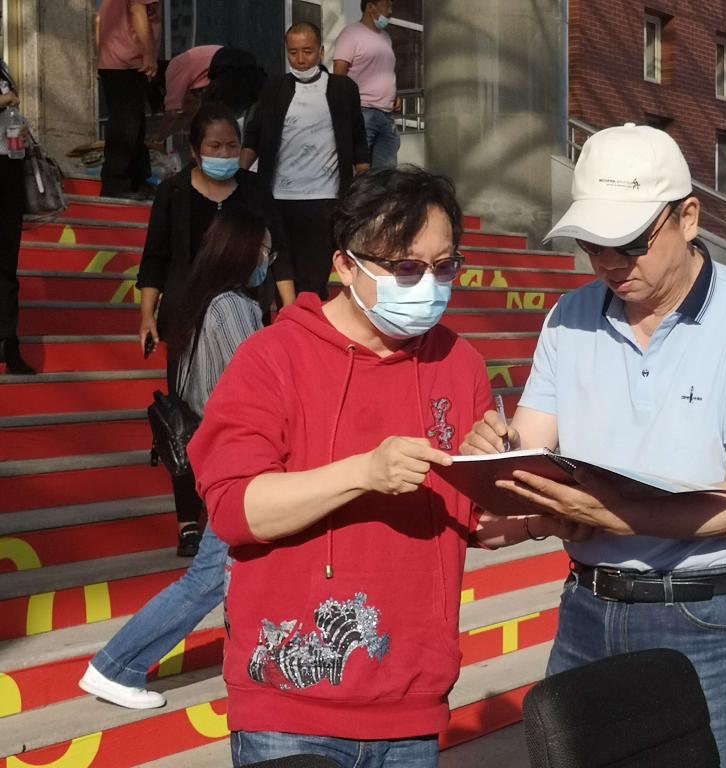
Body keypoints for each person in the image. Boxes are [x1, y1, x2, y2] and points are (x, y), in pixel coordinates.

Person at [460, 123, 726, 768]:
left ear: (688, 217)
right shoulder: (569, 317)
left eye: (628, 243)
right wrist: (499, 456)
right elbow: (530, 445)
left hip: (704, 618)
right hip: (587, 606)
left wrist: (612, 515)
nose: (609, 263)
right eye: (592, 244)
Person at [188, 168, 518, 768]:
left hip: (414, 700)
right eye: (406, 268)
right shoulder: (272, 357)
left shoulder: (460, 362)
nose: (428, 285)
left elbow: (475, 523)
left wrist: (518, 489)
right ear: (345, 264)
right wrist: (363, 473)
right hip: (290, 705)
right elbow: (235, 509)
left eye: (444, 266)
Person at [79, 205, 269, 709]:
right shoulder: (233, 307)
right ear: (244, 252)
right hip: (241, 456)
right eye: (265, 251)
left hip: (221, 450)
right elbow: (260, 383)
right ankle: (116, 664)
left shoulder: (201, 301)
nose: (268, 260)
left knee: (237, 570)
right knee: (208, 577)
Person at [137, 103, 296, 557]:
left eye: (232, 145)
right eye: (215, 146)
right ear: (194, 150)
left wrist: (289, 308)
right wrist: (147, 315)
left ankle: (227, 509)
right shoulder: (174, 193)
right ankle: (190, 520)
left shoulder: (253, 190)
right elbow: (155, 257)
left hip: (243, 306)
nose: (225, 154)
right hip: (186, 315)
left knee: (224, 408)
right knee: (185, 415)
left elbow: (279, 252)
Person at [241, 22, 370, 299]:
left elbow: (358, 135)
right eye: (293, 52)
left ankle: (309, 323)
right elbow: (255, 133)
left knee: (313, 280)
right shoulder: (275, 87)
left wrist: (363, 180)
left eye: (308, 51)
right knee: (281, 277)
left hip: (325, 200)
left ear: (321, 51)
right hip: (278, 198)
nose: (300, 59)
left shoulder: (342, 88)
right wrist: (240, 173)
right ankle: (287, 323)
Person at [96, 0, 161, 199]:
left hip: (117, 59)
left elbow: (98, 21)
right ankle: (117, 184)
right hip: (126, 61)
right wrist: (149, 54)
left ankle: (137, 180)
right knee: (126, 125)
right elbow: (138, 11)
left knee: (135, 123)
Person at [332, 0, 401, 169]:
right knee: (359, 171)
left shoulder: (386, 38)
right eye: (387, 5)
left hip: (387, 115)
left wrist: (394, 94)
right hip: (363, 112)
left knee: (386, 174)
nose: (390, 11)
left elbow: (385, 70)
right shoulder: (351, 33)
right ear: (371, 7)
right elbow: (339, 74)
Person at [0, 57, 35, 376]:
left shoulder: (3, 66)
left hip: (9, 165)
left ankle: (9, 343)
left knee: (7, 263)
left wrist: (21, 130)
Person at [147, 44, 223, 150]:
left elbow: (171, 114)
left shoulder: (174, 71)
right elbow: (189, 113)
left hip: (228, 65)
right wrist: (161, 137)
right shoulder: (196, 76)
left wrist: (158, 139)